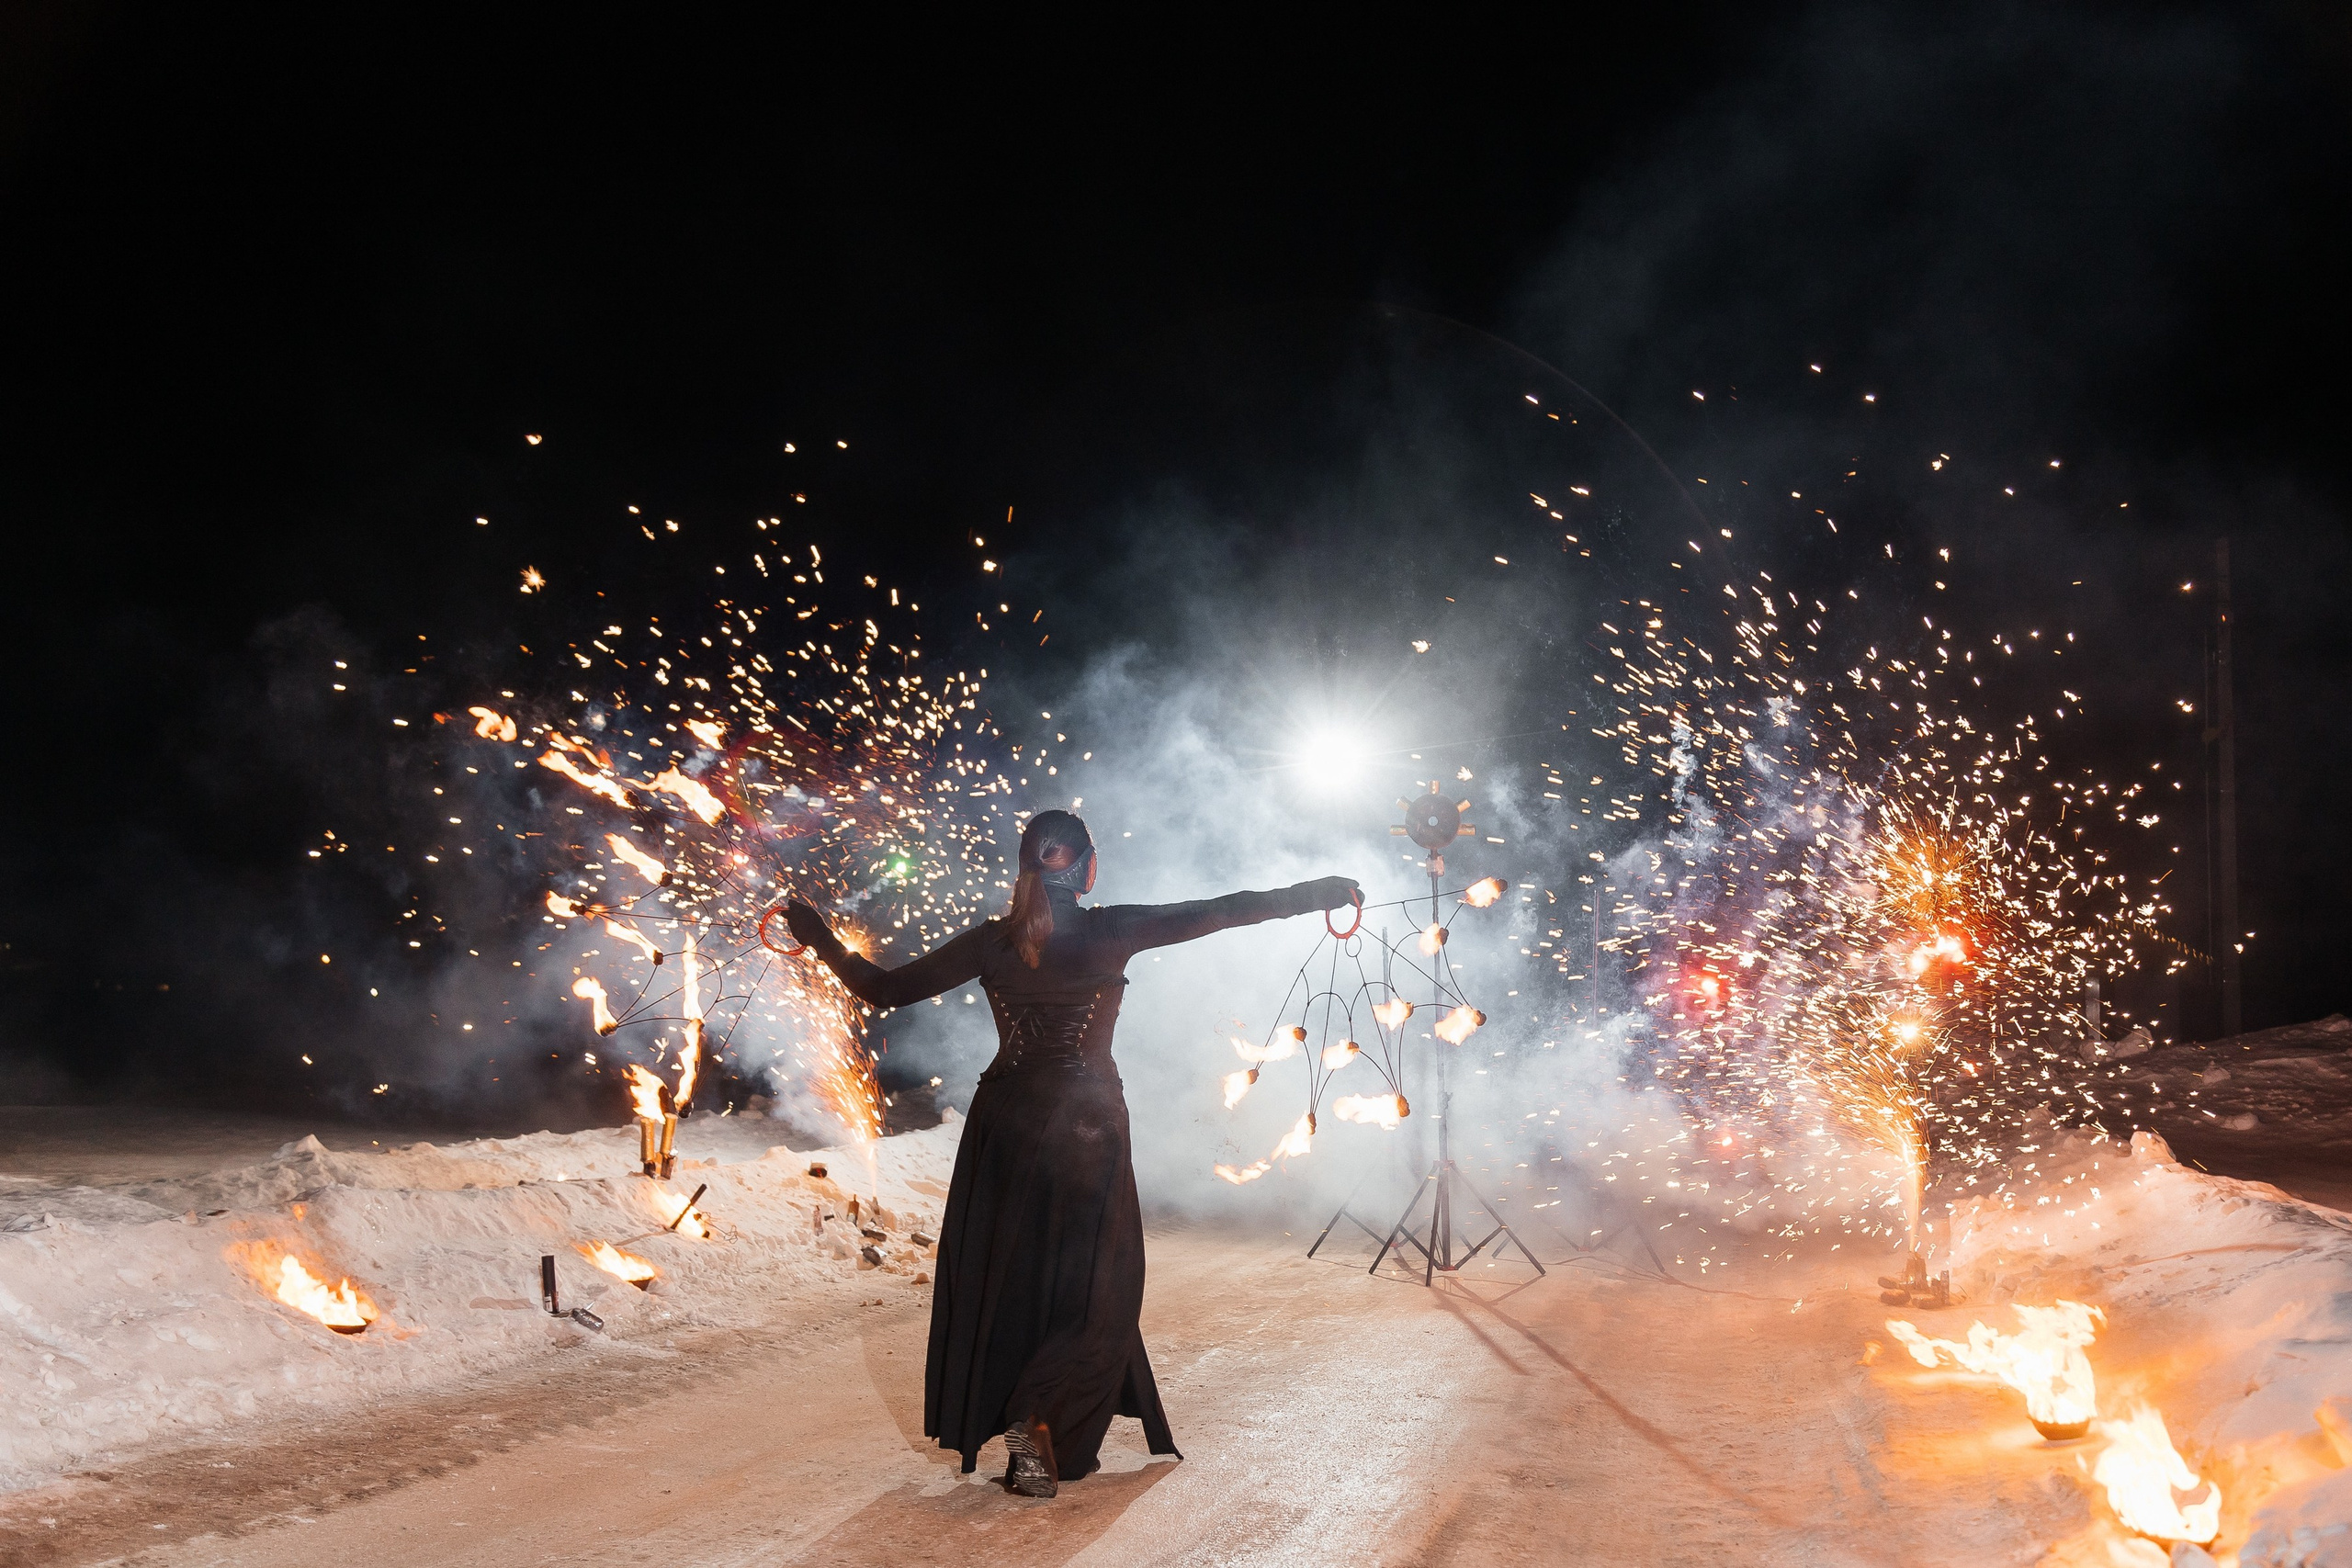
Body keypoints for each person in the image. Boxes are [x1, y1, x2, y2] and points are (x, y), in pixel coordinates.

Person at [786, 809, 1357, 1497]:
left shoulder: (992, 943)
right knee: (1100, 1293)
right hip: (1087, 1124)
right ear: (1086, 867)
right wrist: (1321, 890)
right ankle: (1035, 1416)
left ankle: (1034, 1421)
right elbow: (1224, 910)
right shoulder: (1112, 928)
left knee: (1016, 1279)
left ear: (1026, 868)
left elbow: (881, 988)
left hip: (1005, 1124)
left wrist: (814, 931)